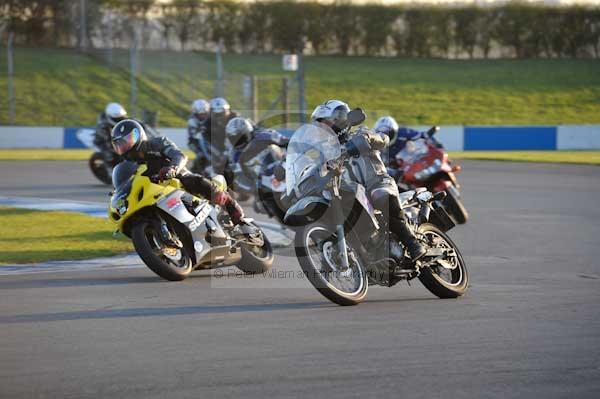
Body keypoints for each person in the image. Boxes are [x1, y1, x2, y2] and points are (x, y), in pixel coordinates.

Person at [310, 100, 426, 261]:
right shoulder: (327, 153)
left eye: (326, 123)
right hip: (352, 193)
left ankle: (413, 243)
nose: (323, 128)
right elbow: (317, 171)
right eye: (320, 125)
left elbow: (383, 138)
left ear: (340, 119)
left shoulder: (359, 133)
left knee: (380, 195)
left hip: (377, 181)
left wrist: (369, 138)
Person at [110, 119, 246, 226]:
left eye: (127, 140)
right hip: (155, 191)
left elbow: (179, 156)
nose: (125, 145)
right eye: (120, 144)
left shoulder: (157, 143)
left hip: (176, 178)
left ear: (138, 135)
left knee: (192, 180)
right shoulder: (128, 164)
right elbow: (126, 182)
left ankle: (229, 203)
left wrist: (173, 168)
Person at [225, 117, 289, 183]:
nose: (239, 142)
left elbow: (288, 143)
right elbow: (240, 178)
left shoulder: (264, 135)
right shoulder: (234, 155)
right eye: (234, 139)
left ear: (248, 131)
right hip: (262, 185)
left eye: (241, 138)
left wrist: (284, 163)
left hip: (285, 172)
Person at [194, 97, 239, 175]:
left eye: (222, 113)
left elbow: (246, 130)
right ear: (211, 113)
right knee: (200, 159)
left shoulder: (236, 118)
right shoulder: (206, 124)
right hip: (216, 149)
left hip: (236, 148)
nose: (219, 116)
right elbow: (205, 141)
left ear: (228, 111)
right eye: (216, 114)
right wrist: (214, 156)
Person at [373, 116, 442, 165]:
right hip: (395, 170)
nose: (386, 136)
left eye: (388, 132)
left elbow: (423, 135)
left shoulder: (403, 132)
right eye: (381, 134)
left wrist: (436, 145)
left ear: (395, 130)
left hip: (411, 161)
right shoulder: (376, 145)